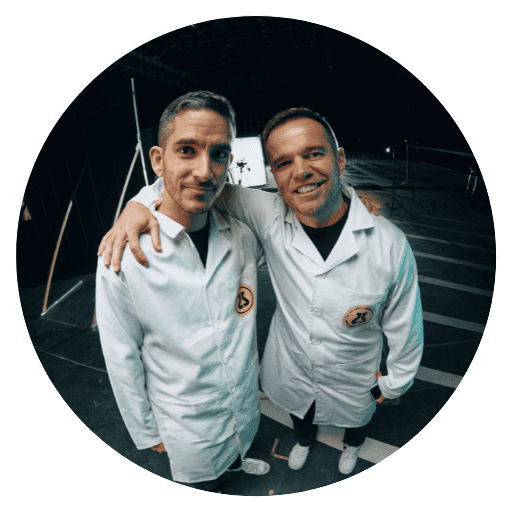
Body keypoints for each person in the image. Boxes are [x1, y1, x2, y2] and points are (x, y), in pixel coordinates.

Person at [99, 106, 423, 477]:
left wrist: (396, 382)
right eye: (284, 163)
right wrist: (138, 203)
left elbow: (405, 322)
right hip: (292, 367)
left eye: (313, 154)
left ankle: (352, 446)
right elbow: (195, 183)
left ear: (339, 159)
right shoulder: (266, 213)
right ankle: (304, 441)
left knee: (358, 418)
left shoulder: (389, 243)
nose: (300, 170)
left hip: (356, 371)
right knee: (301, 413)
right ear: (273, 174)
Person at [95, 91, 270, 493]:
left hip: (242, 399)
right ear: (158, 160)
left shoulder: (242, 237)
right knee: (203, 486)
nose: (205, 172)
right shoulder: (124, 256)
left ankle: (237, 462)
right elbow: (121, 356)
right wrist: (146, 430)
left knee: (236, 451)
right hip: (187, 424)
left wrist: (351, 202)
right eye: (187, 150)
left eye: (219, 154)